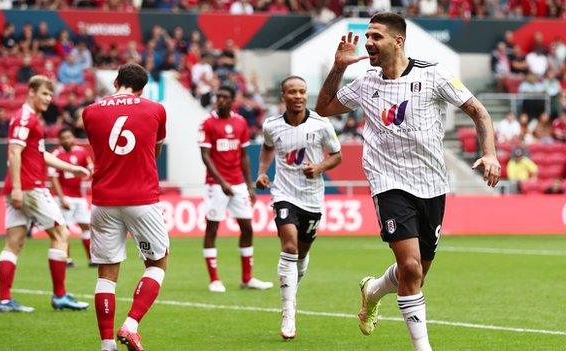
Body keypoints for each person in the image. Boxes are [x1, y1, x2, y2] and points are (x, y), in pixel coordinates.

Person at [314, 13, 500, 351]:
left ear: (398, 41)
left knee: (414, 274)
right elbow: (324, 107)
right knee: (410, 268)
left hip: (431, 184)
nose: (368, 43)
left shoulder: (433, 74)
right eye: (367, 36)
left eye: (376, 37)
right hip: (388, 182)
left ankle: (373, 290)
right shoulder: (366, 82)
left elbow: (479, 112)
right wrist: (338, 67)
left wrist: (489, 154)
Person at [83, 63, 169, 351]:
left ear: (116, 81)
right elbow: (155, 149)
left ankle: (107, 345)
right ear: (143, 88)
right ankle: (131, 324)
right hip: (141, 198)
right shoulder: (155, 109)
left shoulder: (90, 111)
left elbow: (99, 149)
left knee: (106, 274)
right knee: (157, 263)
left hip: (104, 200)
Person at [256, 76, 342, 340]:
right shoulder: (271, 125)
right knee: (290, 246)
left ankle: (292, 284)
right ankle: (288, 311)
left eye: (302, 92)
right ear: (283, 96)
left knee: (301, 254)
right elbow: (267, 148)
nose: (297, 96)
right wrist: (261, 172)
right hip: (284, 194)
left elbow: (337, 155)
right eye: (292, 92)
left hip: (312, 199)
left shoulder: (321, 125)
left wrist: (318, 168)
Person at [0, 75, 91, 313]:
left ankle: (5, 300)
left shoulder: (31, 119)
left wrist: (72, 168)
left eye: (51, 95)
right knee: (61, 232)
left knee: (14, 242)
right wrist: (18, 187)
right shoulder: (25, 118)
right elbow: (14, 152)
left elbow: (39, 155)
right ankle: (60, 296)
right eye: (44, 94)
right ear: (31, 92)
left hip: (21, 186)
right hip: (29, 186)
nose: (49, 99)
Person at [198, 85, 273, 293]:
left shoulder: (240, 122)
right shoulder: (207, 123)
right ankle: (214, 279)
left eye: (224, 97)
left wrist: (249, 185)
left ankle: (247, 278)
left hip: (238, 184)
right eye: (218, 96)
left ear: (232, 101)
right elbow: (205, 156)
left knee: (247, 228)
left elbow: (243, 157)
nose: (220, 99)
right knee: (212, 228)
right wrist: (222, 182)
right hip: (216, 185)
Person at [49, 128, 94, 267]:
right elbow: (53, 178)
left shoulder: (81, 151)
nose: (67, 140)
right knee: (64, 228)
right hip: (64, 197)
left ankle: (92, 259)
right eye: (64, 138)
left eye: (69, 137)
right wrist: (61, 198)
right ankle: (66, 259)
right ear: (60, 140)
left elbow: (90, 167)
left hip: (79, 197)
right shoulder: (55, 154)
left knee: (86, 226)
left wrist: (89, 171)